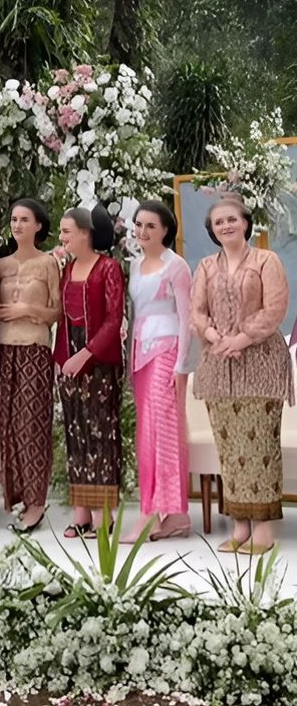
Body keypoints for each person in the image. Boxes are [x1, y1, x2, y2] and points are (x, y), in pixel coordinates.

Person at [191, 195, 293, 554]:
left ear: (246, 223)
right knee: (229, 448)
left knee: (259, 444)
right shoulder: (205, 266)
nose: (225, 226)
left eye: (231, 219)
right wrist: (216, 336)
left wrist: (243, 337)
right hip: (219, 365)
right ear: (212, 229)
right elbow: (197, 312)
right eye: (219, 222)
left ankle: (263, 530)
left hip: (261, 363)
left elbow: (276, 306)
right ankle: (238, 528)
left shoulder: (267, 260)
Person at [121, 200, 192, 544]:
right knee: (147, 433)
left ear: (166, 230)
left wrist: (182, 367)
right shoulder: (134, 266)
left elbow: (186, 318)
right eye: (138, 225)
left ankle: (155, 513)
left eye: (150, 225)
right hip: (139, 353)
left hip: (167, 350)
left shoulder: (176, 266)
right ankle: (175, 515)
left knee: (162, 433)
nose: (142, 231)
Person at [54, 205, 125, 538]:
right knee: (76, 434)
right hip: (69, 359)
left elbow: (114, 319)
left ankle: (103, 514)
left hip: (97, 360)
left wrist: (86, 354)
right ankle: (81, 512)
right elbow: (64, 319)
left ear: (85, 232)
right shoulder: (67, 270)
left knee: (100, 435)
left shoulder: (108, 268)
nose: (62, 237)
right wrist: (64, 359)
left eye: (67, 231)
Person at [0, 198, 60, 533]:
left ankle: (37, 501)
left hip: (35, 348)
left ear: (38, 225)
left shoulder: (47, 263)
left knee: (31, 423)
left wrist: (24, 311)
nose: (18, 225)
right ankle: (19, 497)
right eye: (14, 219)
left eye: (25, 219)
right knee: (8, 425)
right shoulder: (0, 265)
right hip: (5, 350)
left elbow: (56, 312)